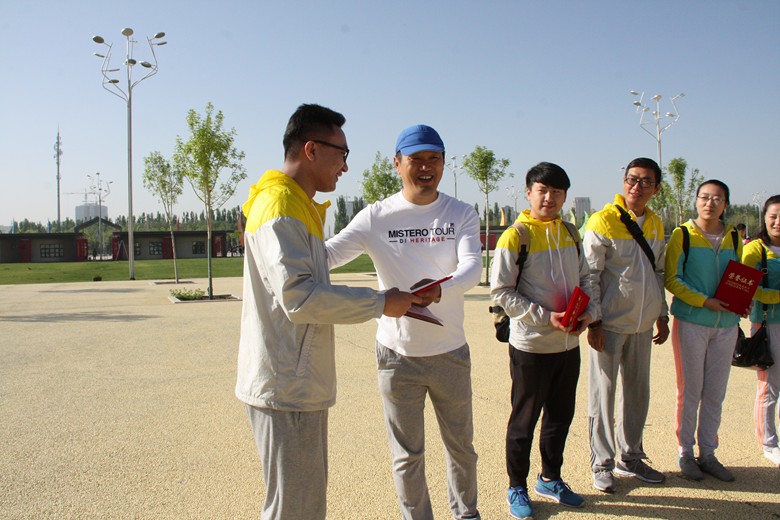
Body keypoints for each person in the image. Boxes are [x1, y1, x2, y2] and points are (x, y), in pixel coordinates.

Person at [236, 104, 420, 520]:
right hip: (285, 385)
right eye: (342, 154)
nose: (345, 166)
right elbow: (300, 297)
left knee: (302, 503)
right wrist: (380, 302)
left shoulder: (297, 205)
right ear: (311, 149)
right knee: (294, 508)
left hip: (294, 382)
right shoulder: (280, 206)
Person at [326, 124, 483, 520]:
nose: (426, 167)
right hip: (397, 356)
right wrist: (278, 240)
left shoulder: (461, 213)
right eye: (416, 159)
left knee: (461, 448)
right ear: (397, 163)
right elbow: (327, 256)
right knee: (407, 455)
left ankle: (466, 514)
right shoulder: (375, 217)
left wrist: (440, 290)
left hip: (450, 353)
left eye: (434, 158)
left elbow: (471, 268)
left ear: (444, 163)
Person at [491, 162, 596, 519]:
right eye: (542, 190)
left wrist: (589, 313)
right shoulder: (516, 236)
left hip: (568, 345)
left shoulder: (571, 232)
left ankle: (550, 478)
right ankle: (516, 486)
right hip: (532, 346)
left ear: (565, 196)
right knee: (524, 420)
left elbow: (586, 278)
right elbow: (501, 292)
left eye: (556, 192)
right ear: (529, 193)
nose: (549, 197)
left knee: (560, 417)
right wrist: (543, 316)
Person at [584, 157, 670, 494]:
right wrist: (595, 321)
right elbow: (590, 275)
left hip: (643, 324)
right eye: (632, 179)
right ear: (624, 182)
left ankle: (631, 456)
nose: (637, 187)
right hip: (609, 324)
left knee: (637, 392)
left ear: (656, 188)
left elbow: (658, 273)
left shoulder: (657, 224)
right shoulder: (603, 220)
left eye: (646, 182)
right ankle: (601, 463)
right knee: (603, 395)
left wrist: (661, 314)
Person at [664, 179, 742, 482]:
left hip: (726, 326)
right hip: (692, 323)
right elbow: (672, 279)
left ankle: (708, 453)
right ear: (696, 201)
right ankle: (685, 452)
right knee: (690, 390)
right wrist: (704, 302)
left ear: (725, 204)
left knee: (715, 392)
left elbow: (739, 276)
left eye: (717, 198)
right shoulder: (682, 235)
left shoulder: (733, 237)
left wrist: (743, 300)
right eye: (704, 197)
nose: (710, 203)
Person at [743, 195, 780, 467]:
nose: (778, 222)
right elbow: (747, 287)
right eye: (773, 216)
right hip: (768, 324)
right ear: (764, 218)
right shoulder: (755, 249)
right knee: (769, 386)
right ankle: (768, 442)